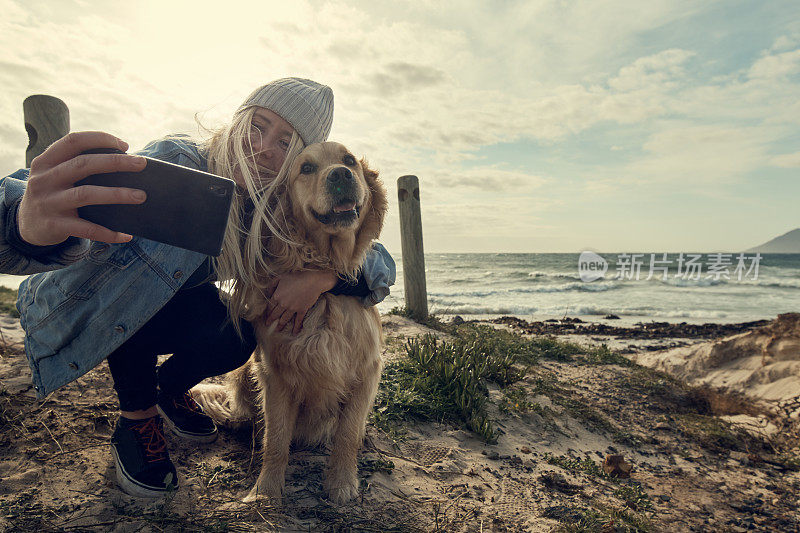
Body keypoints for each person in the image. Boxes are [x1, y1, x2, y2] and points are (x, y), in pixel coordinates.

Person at [0, 78, 395, 498]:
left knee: (239, 330)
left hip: (165, 303)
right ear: (238, 120)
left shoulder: (269, 213)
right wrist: (22, 226)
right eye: (258, 127)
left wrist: (323, 277)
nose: (263, 148)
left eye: (284, 143)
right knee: (143, 290)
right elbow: (38, 195)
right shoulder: (179, 161)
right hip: (94, 302)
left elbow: (376, 256)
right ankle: (138, 419)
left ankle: (168, 390)